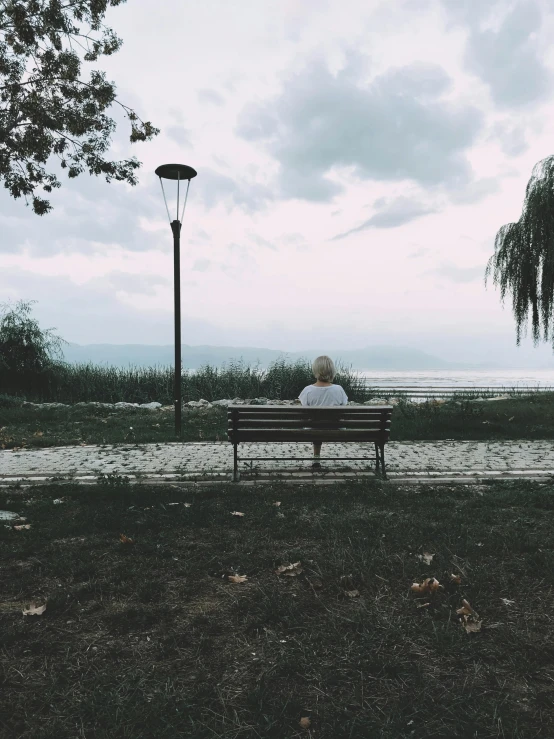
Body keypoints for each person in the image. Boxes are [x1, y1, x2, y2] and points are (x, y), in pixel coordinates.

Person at [298, 355, 348, 469]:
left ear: (315, 370)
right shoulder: (339, 389)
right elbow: (343, 406)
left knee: (315, 424)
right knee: (320, 423)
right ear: (332, 370)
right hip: (335, 428)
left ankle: (316, 458)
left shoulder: (308, 390)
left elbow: (304, 411)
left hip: (313, 428)